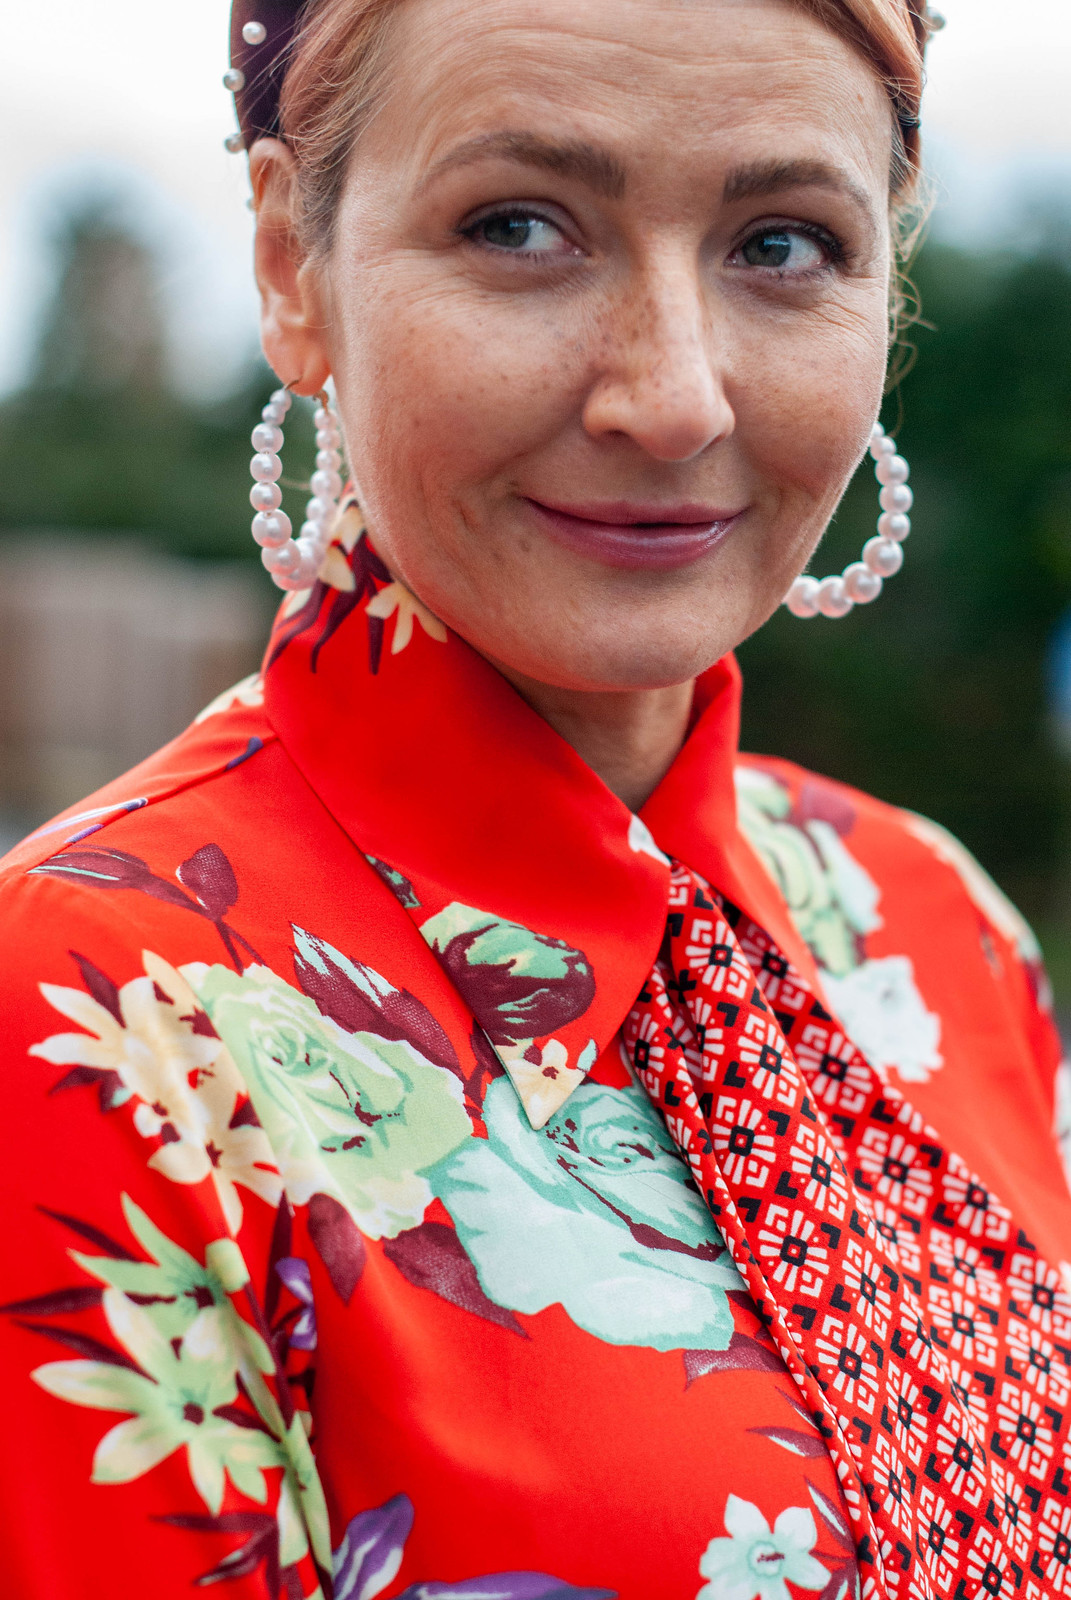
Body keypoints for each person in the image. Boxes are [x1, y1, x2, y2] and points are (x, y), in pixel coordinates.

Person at [1, 1, 1068, 1596]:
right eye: (520, 227)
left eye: (782, 245)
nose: (677, 396)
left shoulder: (932, 923)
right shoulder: (91, 1015)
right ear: (294, 265)